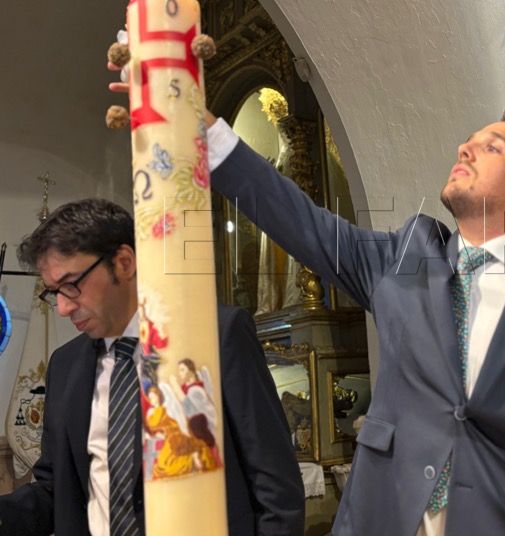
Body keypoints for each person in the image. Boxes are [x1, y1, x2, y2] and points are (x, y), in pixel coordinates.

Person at [108, 63, 505, 533]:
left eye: (493, 147)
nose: (465, 147)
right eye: (470, 140)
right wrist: (200, 127)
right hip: (383, 517)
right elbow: (296, 217)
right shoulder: (397, 262)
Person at [0, 198, 305, 536]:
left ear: (124, 262)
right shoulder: (65, 365)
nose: (62, 307)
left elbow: (276, 487)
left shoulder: (214, 336)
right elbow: (57, 490)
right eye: (53, 292)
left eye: (71, 285)